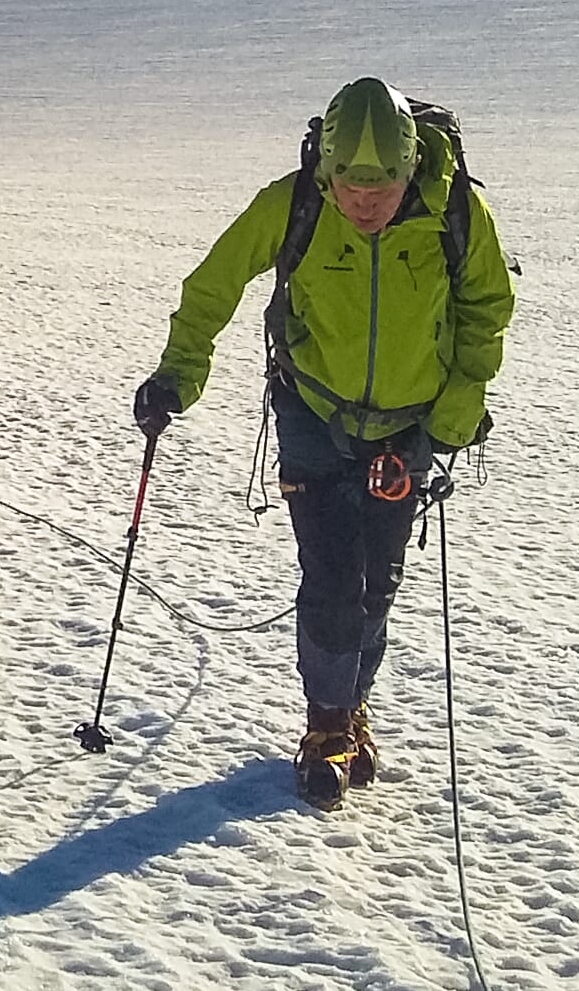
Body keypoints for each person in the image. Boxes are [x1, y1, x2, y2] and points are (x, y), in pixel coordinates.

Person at [133, 78, 515, 808]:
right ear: (327, 171)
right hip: (312, 408)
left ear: (411, 169)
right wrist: (176, 377)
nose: (366, 204)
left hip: (411, 426)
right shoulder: (293, 204)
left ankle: (352, 707)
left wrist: (451, 424)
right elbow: (213, 284)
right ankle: (327, 726)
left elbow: (487, 309)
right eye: (350, 186)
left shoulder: (456, 211)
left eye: (385, 187)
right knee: (335, 574)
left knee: (378, 582)